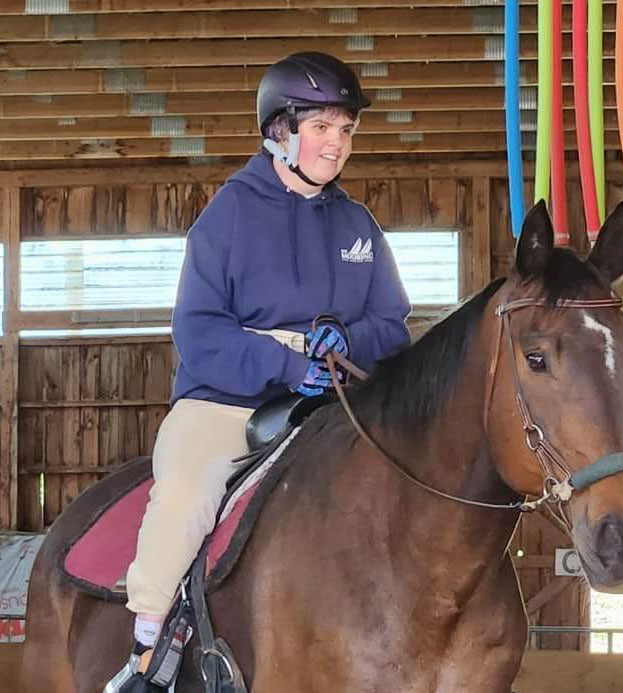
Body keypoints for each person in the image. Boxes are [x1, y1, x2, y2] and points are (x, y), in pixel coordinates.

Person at [108, 52, 411, 691]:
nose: (337, 144)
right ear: (281, 131)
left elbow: (394, 324)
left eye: (346, 130)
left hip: (338, 400)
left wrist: (348, 336)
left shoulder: (360, 225)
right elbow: (197, 330)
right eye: (323, 127)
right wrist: (282, 362)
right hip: (227, 400)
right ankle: (148, 649)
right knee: (188, 492)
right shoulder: (227, 217)